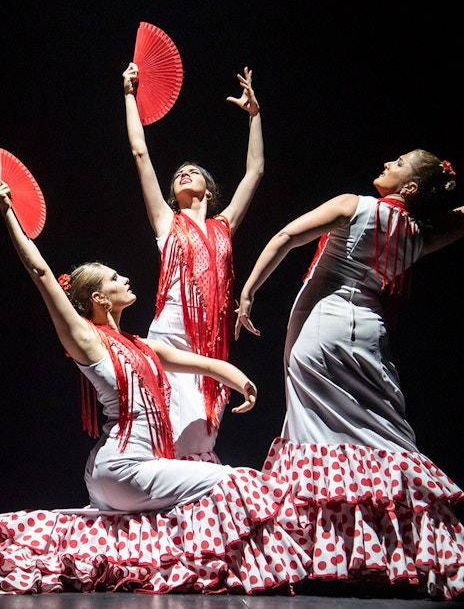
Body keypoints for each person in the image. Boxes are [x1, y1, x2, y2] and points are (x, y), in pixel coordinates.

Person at [0, 179, 309, 594]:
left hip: (123, 469)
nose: (125, 277)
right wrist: (6, 213)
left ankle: (196, 570)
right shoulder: (86, 339)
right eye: (113, 278)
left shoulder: (141, 346)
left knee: (209, 485)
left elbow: (201, 363)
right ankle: (234, 573)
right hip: (123, 468)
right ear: (100, 300)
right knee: (232, 481)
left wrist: (240, 381)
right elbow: (41, 273)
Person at [235, 149, 464, 600]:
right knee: (383, 433)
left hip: (326, 321)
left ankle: (317, 553)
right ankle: (413, 551)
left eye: (399, 163)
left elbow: (286, 236)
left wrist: (248, 292)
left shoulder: (353, 204)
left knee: (313, 434)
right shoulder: (421, 234)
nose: (387, 163)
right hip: (370, 330)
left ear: (410, 187)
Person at [123, 62, 264, 464]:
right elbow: (139, 152)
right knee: (169, 434)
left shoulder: (223, 226)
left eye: (193, 172)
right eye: (179, 175)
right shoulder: (167, 223)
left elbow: (254, 172)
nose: (184, 174)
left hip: (212, 343)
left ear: (208, 189)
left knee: (201, 436)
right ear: (172, 193)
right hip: (169, 334)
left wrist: (255, 115)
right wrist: (130, 96)